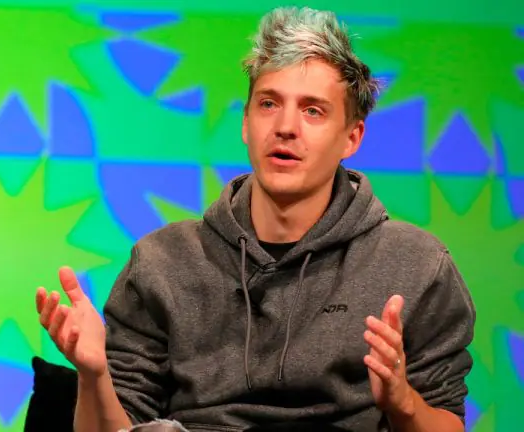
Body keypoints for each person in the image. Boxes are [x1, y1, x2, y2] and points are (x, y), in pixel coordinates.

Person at [35, 6, 475, 432]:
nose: (285, 127)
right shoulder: (162, 262)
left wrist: (403, 403)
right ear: (246, 123)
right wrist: (94, 375)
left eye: (313, 110)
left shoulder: (414, 264)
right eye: (268, 104)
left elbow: (447, 420)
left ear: (352, 137)